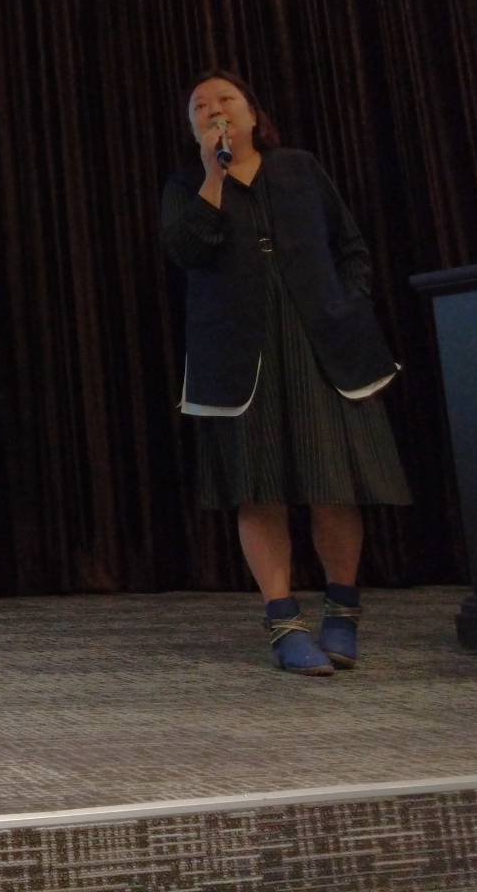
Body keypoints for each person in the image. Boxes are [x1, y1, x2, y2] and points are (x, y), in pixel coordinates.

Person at [162, 70, 410, 676]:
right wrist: (213, 175)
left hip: (320, 344)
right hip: (239, 356)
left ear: (253, 113)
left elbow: (350, 245)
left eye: (226, 99)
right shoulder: (186, 184)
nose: (214, 110)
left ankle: (342, 613)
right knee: (260, 489)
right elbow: (188, 251)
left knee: (333, 485)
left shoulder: (299, 167)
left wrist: (348, 304)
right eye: (200, 106)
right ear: (193, 127)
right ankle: (283, 623)